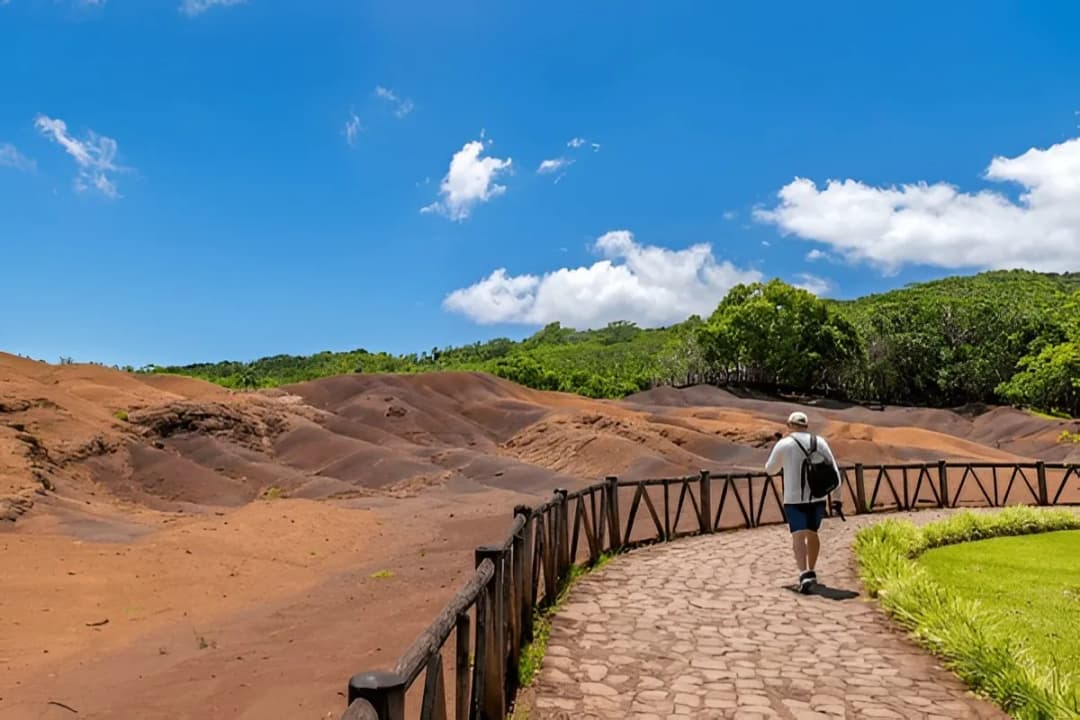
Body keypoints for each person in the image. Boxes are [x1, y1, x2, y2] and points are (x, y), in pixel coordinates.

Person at [764, 411, 842, 593]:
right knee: (813, 533)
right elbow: (835, 472)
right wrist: (837, 499)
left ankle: (803, 573)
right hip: (818, 496)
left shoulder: (785, 444)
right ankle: (812, 570)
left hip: (794, 497)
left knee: (798, 535)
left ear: (789, 425)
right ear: (806, 426)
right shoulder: (820, 442)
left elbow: (770, 469)